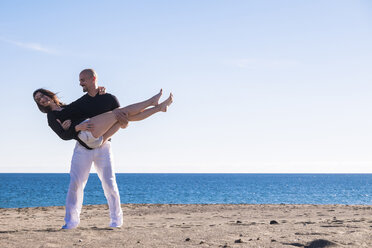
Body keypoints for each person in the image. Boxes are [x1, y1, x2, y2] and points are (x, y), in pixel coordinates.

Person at [33, 69, 173, 229]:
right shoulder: (52, 117)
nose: (42, 99)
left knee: (110, 183)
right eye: (38, 99)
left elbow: (124, 122)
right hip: (84, 145)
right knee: (76, 184)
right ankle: (71, 222)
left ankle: (116, 221)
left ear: (49, 95)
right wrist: (77, 127)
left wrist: (99, 94)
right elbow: (64, 136)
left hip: (102, 142)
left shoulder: (71, 106)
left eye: (42, 96)